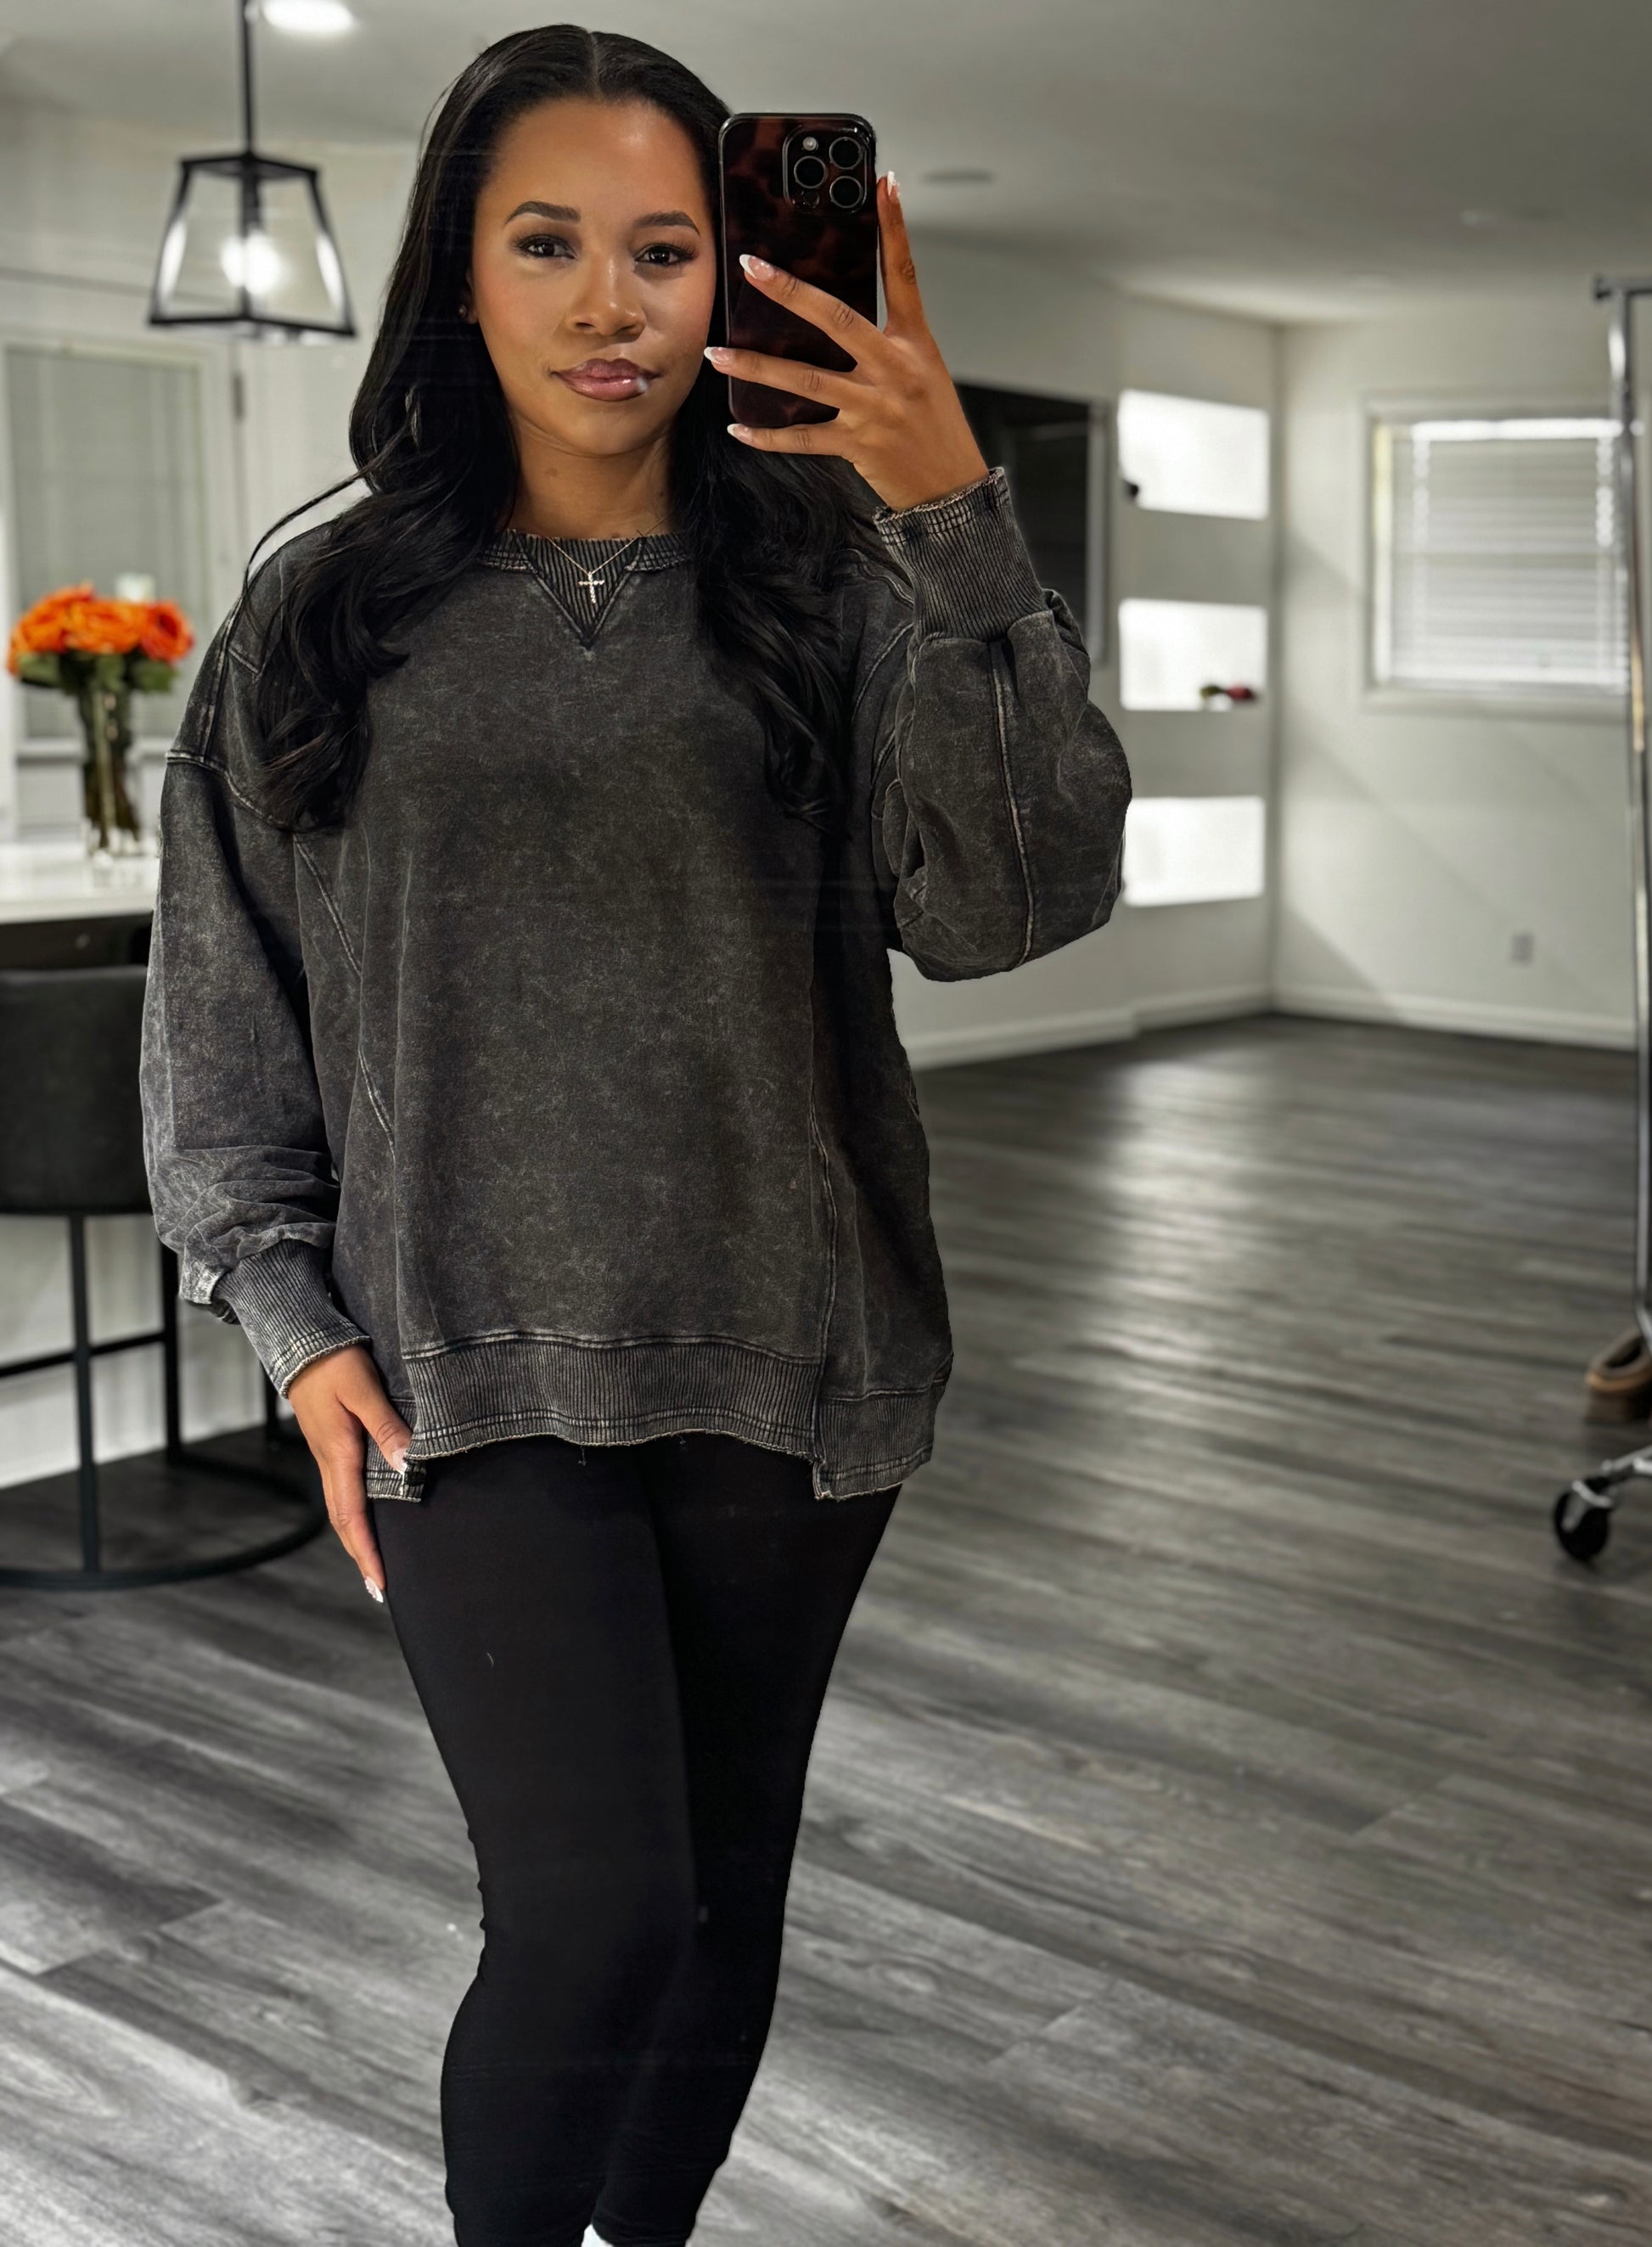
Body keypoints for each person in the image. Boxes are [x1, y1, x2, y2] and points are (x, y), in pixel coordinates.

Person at [139, 23, 1132, 2247]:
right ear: (459, 274)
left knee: (713, 1902)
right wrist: (291, 1319)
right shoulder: (323, 614)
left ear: (731, 277)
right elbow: (221, 1016)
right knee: (590, 1909)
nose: (612, 303)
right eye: (548, 243)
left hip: (788, 1350)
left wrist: (953, 515)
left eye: (666, 249)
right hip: (458, 1362)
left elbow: (1010, 907)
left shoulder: (848, 588)